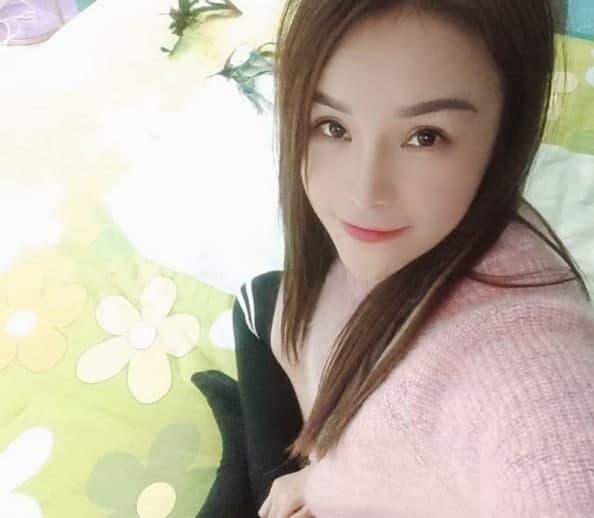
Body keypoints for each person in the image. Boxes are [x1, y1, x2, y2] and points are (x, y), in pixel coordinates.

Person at [234, 0, 594, 516]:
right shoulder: (406, 233)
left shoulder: (519, 366)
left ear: (505, 135)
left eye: (425, 137)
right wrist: (320, 470)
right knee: (258, 300)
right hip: (334, 461)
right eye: (332, 125)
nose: (364, 193)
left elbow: (557, 456)